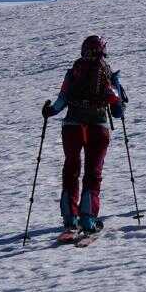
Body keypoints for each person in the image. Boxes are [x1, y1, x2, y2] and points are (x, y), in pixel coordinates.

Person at [42, 35, 126, 236]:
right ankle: (88, 218)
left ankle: (70, 217)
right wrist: (119, 94)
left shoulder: (73, 72)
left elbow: (60, 102)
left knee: (71, 169)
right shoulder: (107, 73)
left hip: (71, 127)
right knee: (93, 172)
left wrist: (49, 111)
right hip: (98, 127)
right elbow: (117, 111)